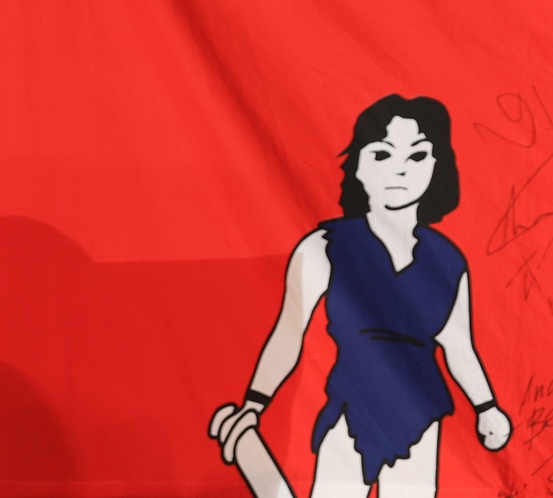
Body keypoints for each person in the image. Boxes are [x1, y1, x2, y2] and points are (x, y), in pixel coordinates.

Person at [210, 95, 512, 498]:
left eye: (417, 155)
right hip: (352, 407)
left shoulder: (448, 259)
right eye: (382, 154)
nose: (400, 169)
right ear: (358, 166)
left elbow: (458, 345)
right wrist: (255, 402)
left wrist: (486, 407)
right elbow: (289, 332)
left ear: (437, 166)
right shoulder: (323, 246)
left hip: (421, 412)